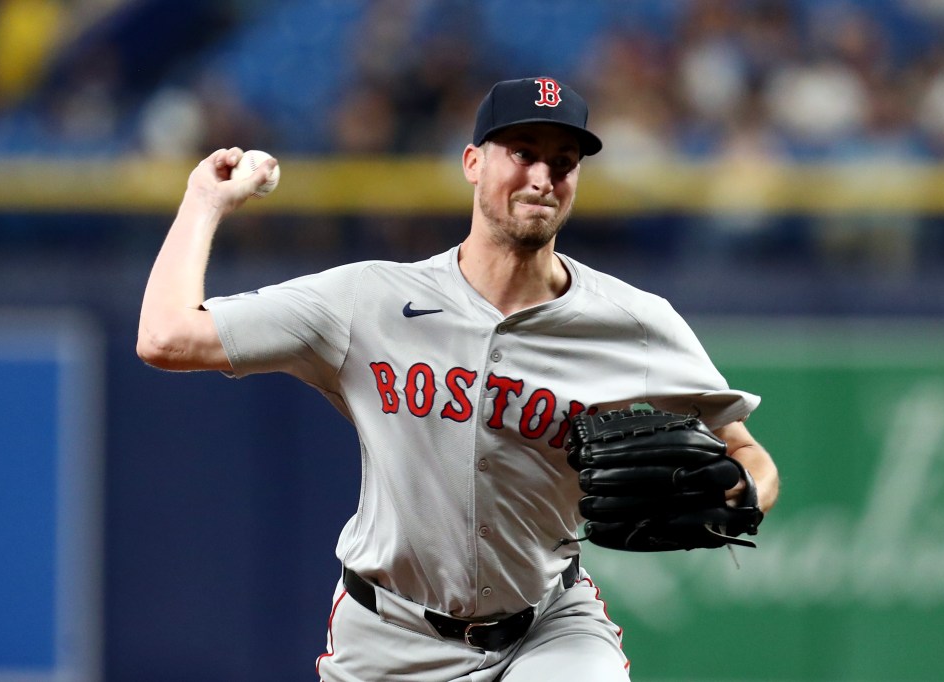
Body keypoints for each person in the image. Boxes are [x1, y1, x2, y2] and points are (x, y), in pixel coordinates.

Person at [137, 76, 780, 682]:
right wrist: (203, 202)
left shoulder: (632, 321)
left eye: (563, 162)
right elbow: (165, 338)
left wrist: (740, 489)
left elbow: (750, 456)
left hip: (548, 627)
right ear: (473, 162)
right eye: (522, 153)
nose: (542, 177)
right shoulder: (367, 300)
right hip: (387, 634)